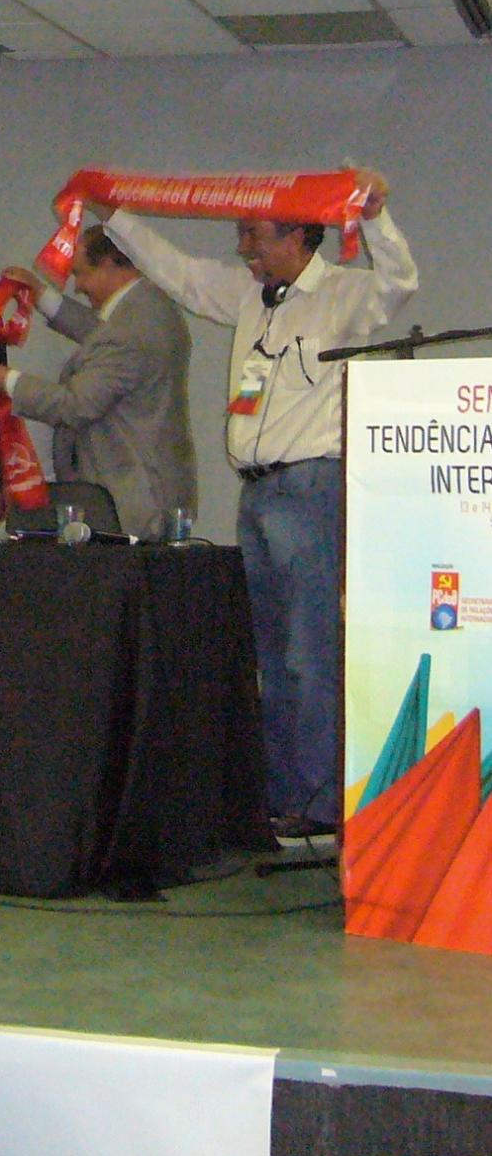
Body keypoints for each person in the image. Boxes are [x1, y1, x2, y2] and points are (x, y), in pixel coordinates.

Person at [90, 170, 417, 835]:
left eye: (254, 235)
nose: (243, 248)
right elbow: (178, 273)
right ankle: (279, 799)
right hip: (259, 494)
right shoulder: (249, 295)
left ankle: (318, 807)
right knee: (268, 655)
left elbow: (399, 281)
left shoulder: (341, 296)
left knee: (307, 654)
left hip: (311, 491)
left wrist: (376, 217)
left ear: (297, 236)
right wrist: (114, 214)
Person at [0, 224, 196, 541]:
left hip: (132, 499)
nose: (77, 286)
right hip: (152, 487)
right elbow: (100, 336)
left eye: (81, 274)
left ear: (108, 265)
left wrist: (6, 380)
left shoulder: (130, 328)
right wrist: (40, 294)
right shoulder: (149, 307)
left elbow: (76, 405)